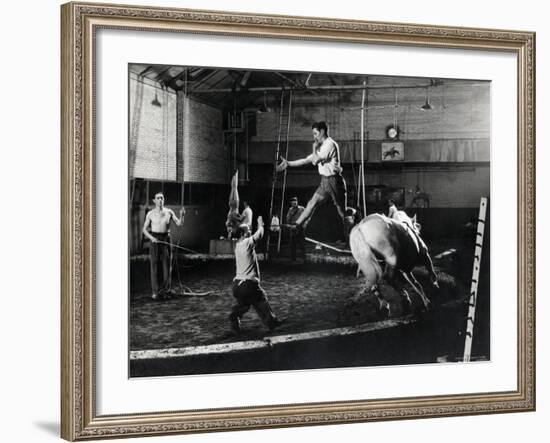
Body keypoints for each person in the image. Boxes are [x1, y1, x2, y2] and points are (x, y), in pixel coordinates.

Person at [276, 121, 347, 238]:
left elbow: (315, 160)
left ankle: (351, 232)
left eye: (315, 134)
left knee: (342, 213)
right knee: (312, 202)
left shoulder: (330, 144)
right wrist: (288, 164)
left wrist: (314, 148)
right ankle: (296, 225)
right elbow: (306, 160)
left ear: (322, 131)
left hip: (334, 181)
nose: (314, 137)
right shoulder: (322, 146)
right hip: (325, 181)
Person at [229, 216, 285, 333]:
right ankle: (271, 322)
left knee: (245, 305)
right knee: (261, 298)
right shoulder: (246, 242)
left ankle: (235, 315)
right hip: (248, 284)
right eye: (248, 230)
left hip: (237, 285)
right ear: (243, 234)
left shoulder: (238, 246)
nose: (250, 231)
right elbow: (259, 234)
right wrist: (261, 224)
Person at [142, 192, 185, 300]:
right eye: (158, 198)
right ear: (154, 201)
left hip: (166, 239)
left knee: (166, 265)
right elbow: (144, 230)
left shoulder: (169, 212)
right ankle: (155, 292)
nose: (160, 200)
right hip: (155, 240)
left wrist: (182, 215)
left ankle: (166, 290)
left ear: (164, 200)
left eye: (162, 198)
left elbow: (179, 223)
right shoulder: (150, 214)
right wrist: (151, 238)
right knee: (154, 266)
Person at [285, 196, 306, 262]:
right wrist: (289, 225)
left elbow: (306, 217)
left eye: (295, 201)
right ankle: (293, 259)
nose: (294, 203)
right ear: (291, 203)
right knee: (292, 244)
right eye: (293, 201)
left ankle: (304, 258)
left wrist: (304, 225)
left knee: (302, 244)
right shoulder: (290, 210)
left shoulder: (302, 208)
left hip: (300, 227)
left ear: (297, 202)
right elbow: (288, 218)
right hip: (293, 228)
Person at [225, 170, 244, 238]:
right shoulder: (232, 223)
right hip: (233, 205)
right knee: (233, 188)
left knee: (234, 188)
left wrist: (229, 232)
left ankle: (236, 174)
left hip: (234, 205)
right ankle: (234, 175)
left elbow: (240, 218)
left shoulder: (230, 223)